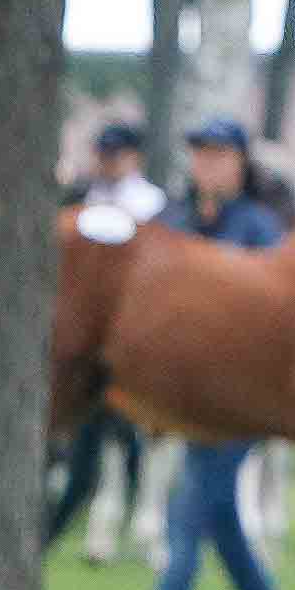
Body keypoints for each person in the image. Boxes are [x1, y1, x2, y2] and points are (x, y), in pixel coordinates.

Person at [93, 118, 294, 590]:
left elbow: (275, 312)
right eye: (199, 153)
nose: (206, 164)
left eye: (218, 154)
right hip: (185, 398)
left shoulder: (259, 229)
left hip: (242, 401)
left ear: (239, 163)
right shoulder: (172, 222)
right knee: (222, 522)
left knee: (189, 508)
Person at [44, 124, 173, 560]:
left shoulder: (153, 207)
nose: (107, 161)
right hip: (86, 345)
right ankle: (67, 529)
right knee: (92, 445)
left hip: (132, 338)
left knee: (131, 440)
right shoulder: (83, 200)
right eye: (103, 153)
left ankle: (138, 521)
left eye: (115, 154)